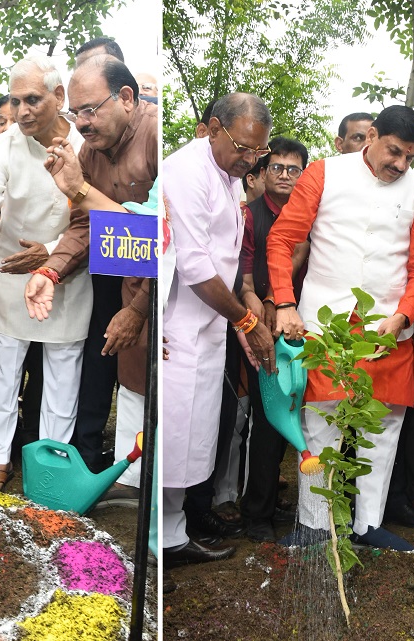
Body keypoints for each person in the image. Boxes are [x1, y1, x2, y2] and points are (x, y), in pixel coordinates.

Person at [269, 105, 414, 550]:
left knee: (380, 432)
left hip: (387, 330)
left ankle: (368, 524)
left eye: (410, 157)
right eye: (395, 152)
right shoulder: (325, 173)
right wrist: (285, 302)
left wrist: (403, 316)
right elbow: (282, 239)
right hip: (325, 322)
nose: (400, 165)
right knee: (321, 425)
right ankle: (313, 524)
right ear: (372, 136)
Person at [0, 55, 91, 493]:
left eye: (33, 100)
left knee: (64, 374)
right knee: (3, 374)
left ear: (59, 97)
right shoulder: (4, 145)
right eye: (15, 100)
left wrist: (49, 254)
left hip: (69, 271)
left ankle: (51, 469)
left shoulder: (87, 145)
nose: (23, 110)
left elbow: (93, 216)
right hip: (9, 271)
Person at [162, 93, 275, 570]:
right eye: (243, 148)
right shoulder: (185, 172)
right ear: (211, 128)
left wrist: (244, 302)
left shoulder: (228, 175)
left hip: (211, 323)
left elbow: (228, 254)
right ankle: (163, 537)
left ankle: (179, 525)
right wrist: (246, 320)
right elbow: (193, 265)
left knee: (198, 432)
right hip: (179, 324)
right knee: (175, 432)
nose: (250, 160)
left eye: (258, 153)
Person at [65, 55, 158, 502]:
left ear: (126, 97)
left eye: (89, 110)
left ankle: (155, 492)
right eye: (75, 114)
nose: (81, 124)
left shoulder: (157, 136)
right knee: (131, 376)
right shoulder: (89, 151)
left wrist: (138, 309)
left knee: (158, 381)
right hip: (123, 284)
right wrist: (51, 267)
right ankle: (128, 480)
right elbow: (86, 225)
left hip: (163, 293)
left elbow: (163, 236)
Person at [238, 136, 309, 542]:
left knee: (297, 414)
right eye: (276, 168)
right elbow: (243, 276)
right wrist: (260, 311)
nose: (284, 175)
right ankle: (256, 513)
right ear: (261, 174)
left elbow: (300, 254)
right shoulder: (248, 215)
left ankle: (278, 503)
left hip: (301, 324)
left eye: (293, 169)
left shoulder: (310, 215)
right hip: (257, 327)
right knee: (267, 418)